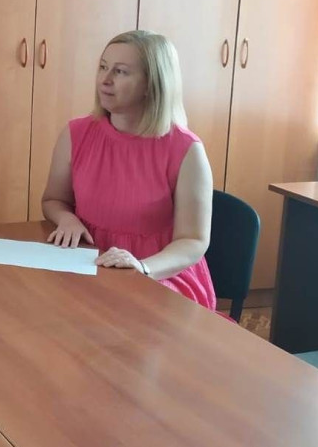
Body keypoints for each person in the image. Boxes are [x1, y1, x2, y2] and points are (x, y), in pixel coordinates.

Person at [42, 30, 216, 310]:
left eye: (120, 72)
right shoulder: (76, 133)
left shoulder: (186, 149)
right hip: (90, 263)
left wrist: (142, 268)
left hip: (159, 274)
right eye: (103, 67)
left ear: (151, 84)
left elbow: (193, 241)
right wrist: (66, 219)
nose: (105, 80)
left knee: (122, 318)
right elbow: (53, 200)